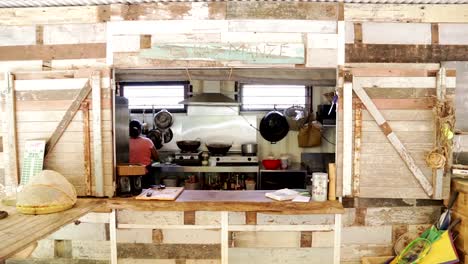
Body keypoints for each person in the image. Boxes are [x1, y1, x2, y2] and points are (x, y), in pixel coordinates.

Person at [129, 119, 159, 187]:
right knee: (149, 193)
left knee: (133, 194)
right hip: (146, 173)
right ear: (140, 130)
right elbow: (156, 158)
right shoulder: (148, 141)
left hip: (130, 172)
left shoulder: (124, 142)